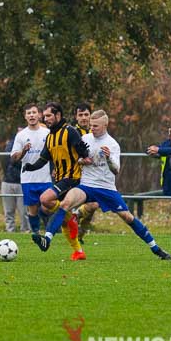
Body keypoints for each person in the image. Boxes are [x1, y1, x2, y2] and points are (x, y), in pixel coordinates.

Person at [37, 110, 171, 260]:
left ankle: (156, 248)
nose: (92, 128)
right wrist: (81, 161)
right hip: (86, 185)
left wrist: (108, 159)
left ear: (105, 125)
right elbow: (75, 159)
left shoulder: (112, 144)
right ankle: (47, 239)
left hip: (106, 188)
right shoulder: (85, 138)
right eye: (91, 125)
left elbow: (116, 170)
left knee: (128, 217)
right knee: (65, 204)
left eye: (95, 126)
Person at [23, 102, 88, 260]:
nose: (45, 119)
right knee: (59, 216)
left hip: (72, 179)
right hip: (60, 179)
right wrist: (31, 167)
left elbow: (84, 152)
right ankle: (78, 251)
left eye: (49, 116)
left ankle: (48, 238)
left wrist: (84, 153)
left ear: (58, 115)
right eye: (44, 116)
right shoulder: (50, 137)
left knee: (45, 199)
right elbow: (43, 159)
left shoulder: (70, 131)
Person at [10, 104, 51, 236]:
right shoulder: (21, 135)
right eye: (29, 113)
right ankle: (36, 233)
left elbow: (55, 152)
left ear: (39, 115)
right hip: (28, 179)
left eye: (34, 112)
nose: (31, 115)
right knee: (32, 209)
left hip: (45, 178)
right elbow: (13, 158)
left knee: (47, 206)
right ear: (25, 116)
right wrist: (23, 151)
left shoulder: (47, 133)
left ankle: (48, 228)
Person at [71, 102, 100, 241]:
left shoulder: (96, 132)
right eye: (80, 115)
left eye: (86, 114)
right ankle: (74, 218)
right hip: (76, 175)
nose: (83, 117)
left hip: (93, 176)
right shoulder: (73, 133)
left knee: (92, 209)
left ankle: (79, 236)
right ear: (76, 117)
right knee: (92, 205)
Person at [2, 127, 28, 233]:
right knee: (8, 211)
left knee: (24, 212)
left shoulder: (29, 145)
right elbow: (8, 161)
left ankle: (25, 231)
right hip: (8, 181)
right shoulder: (11, 144)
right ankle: (10, 232)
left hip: (22, 182)